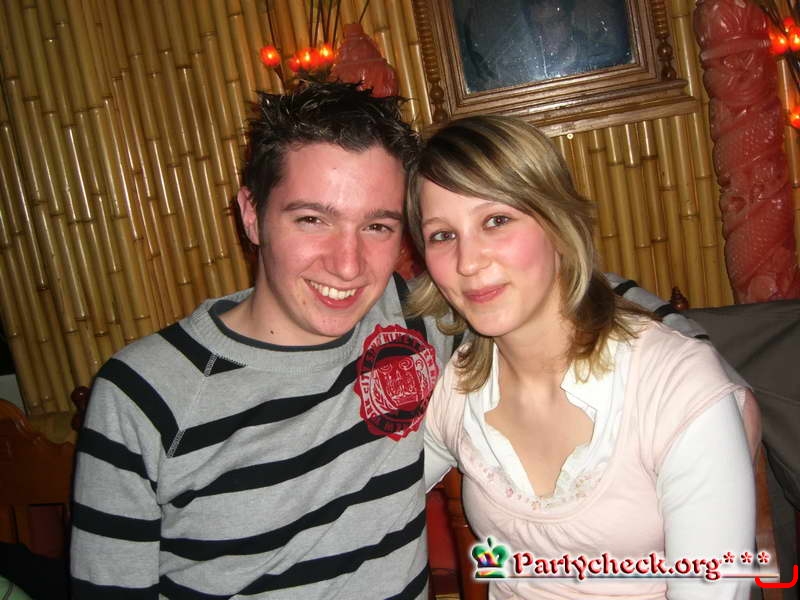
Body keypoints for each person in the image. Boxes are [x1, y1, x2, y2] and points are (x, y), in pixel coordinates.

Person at [70, 82, 453, 599]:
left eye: (377, 227)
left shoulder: (413, 318)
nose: (347, 265)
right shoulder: (142, 395)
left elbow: (542, 309)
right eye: (312, 219)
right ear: (252, 216)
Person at [406, 115, 757, 599]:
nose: (468, 262)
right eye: (443, 235)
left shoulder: (673, 385)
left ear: (557, 223)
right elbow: (374, 502)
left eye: (496, 221)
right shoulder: (457, 387)